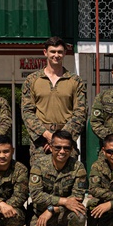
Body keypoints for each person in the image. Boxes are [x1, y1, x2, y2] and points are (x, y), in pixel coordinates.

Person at [21, 37, 87, 170]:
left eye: (60, 52)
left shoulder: (75, 81)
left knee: (68, 178)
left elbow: (81, 112)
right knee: (40, 179)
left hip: (67, 139)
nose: (56, 55)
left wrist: (60, 139)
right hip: (41, 141)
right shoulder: (32, 80)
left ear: (65, 53)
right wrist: (47, 135)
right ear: (45, 52)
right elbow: (27, 112)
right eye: (53, 51)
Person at [28, 130, 87, 226]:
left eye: (66, 148)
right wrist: (64, 201)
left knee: (80, 214)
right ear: (50, 147)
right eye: (58, 147)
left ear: (72, 149)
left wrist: (52, 209)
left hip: (61, 214)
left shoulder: (78, 167)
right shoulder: (39, 165)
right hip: (41, 216)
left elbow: (77, 199)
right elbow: (36, 196)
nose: (62, 151)